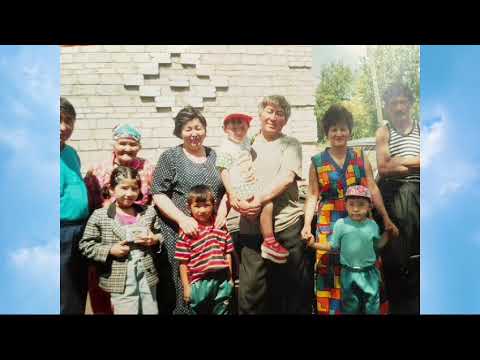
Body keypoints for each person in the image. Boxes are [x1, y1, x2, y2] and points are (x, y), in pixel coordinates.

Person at [301, 104, 399, 315]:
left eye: (343, 128)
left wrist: (386, 217)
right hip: (329, 221)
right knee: (330, 270)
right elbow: (312, 195)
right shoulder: (317, 162)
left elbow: (372, 187)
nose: (339, 133)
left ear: (350, 131)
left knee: (365, 268)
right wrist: (307, 224)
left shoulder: (360, 157)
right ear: (326, 132)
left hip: (362, 221)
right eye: (334, 129)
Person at [233, 95, 311, 314]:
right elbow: (231, 175)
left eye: (280, 114)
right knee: (250, 293)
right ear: (260, 114)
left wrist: (257, 200)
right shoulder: (245, 144)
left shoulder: (290, 144)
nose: (273, 117)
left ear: (285, 120)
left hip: (285, 226)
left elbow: (286, 178)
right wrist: (236, 201)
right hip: (250, 226)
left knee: (291, 291)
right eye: (269, 111)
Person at [151, 106, 228, 314]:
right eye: (187, 129)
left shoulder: (216, 156)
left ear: (205, 129)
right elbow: (158, 193)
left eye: (198, 127)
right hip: (182, 233)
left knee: (215, 287)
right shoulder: (171, 157)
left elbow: (229, 189)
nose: (194, 133)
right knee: (184, 287)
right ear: (179, 132)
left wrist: (222, 212)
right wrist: (182, 219)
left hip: (213, 234)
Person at [84, 123, 154, 314]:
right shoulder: (97, 170)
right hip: (107, 239)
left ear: (139, 146)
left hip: (138, 243)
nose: (127, 148)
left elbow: (154, 202)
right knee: (104, 297)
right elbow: (90, 205)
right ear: (113, 144)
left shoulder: (148, 168)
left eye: (133, 144)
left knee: (143, 298)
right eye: (123, 143)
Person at [79, 166, 163, 314]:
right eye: (124, 188)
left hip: (146, 275)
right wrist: (110, 250)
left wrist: (154, 239)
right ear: (111, 189)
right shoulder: (100, 215)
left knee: (150, 309)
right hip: (120, 279)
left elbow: (160, 234)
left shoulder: (148, 212)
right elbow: (86, 245)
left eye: (134, 189)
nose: (129, 193)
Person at [305, 185, 396, 314]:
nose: (356, 209)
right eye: (351, 204)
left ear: (370, 206)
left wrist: (388, 233)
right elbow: (331, 246)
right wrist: (314, 244)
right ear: (345, 205)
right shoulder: (341, 225)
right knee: (350, 306)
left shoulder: (372, 225)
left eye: (361, 204)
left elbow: (378, 245)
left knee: (372, 306)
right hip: (348, 274)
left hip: (369, 273)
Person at [216, 113, 288, 264]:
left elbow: (256, 139)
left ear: (248, 128)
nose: (238, 132)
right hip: (238, 187)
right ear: (224, 129)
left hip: (249, 184)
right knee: (263, 205)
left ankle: (265, 240)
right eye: (233, 128)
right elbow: (223, 171)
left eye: (242, 128)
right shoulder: (226, 148)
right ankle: (269, 240)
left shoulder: (246, 141)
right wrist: (231, 193)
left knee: (264, 204)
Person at [375, 82, 420, 314]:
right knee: (397, 259)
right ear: (387, 107)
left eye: (403, 102)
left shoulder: (424, 129)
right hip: (395, 196)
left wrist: (399, 161)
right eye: (394, 103)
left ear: (411, 104)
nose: (399, 107)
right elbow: (383, 167)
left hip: (423, 195)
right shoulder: (384, 131)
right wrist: (419, 161)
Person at [175, 185, 234, 314]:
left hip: (221, 280)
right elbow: (183, 262)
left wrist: (230, 280)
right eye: (197, 206)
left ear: (214, 205)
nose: (202, 210)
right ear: (189, 207)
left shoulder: (220, 228)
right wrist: (186, 287)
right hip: (199, 284)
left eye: (206, 205)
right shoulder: (188, 232)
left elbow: (227, 254)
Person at [60, 96, 90, 314]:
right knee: (61, 291)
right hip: (58, 232)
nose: (64, 127)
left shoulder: (70, 153)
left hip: (79, 230)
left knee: (77, 290)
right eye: (57, 120)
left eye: (68, 120)